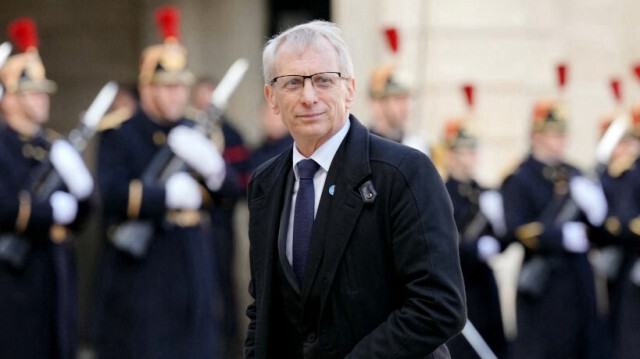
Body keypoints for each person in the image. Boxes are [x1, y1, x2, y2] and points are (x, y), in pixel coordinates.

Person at [245, 20, 466, 358]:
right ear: (271, 98)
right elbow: (263, 311)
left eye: (323, 80)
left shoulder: (404, 173)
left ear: (349, 89)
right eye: (291, 83)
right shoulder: (265, 184)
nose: (308, 97)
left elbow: (439, 306)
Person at [92, 6, 225, 358]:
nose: (177, 96)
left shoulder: (198, 130)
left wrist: (215, 172)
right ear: (146, 88)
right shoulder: (121, 132)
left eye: (181, 87)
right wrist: (164, 196)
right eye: (167, 88)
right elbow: (113, 193)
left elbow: (228, 196)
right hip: (145, 265)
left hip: (191, 255)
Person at [0, 18, 94, 359]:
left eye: (42, 91)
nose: (42, 98)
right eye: (32, 91)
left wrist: (83, 196)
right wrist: (49, 211)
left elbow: (84, 215)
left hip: (55, 267)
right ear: (8, 96)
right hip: (12, 274)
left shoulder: (52, 144)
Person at [500, 99, 608, 358]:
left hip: (578, 280)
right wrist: (559, 236)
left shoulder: (575, 174)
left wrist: (597, 212)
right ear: (535, 135)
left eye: (563, 133)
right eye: (553, 134)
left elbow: (598, 231)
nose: (560, 140)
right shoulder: (520, 177)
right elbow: (516, 228)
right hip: (543, 284)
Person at [190, 76, 252, 357]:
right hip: (190, 224)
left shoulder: (233, 134)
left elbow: (240, 183)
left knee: (223, 288)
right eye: (201, 99)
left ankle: (228, 348)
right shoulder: (188, 132)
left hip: (219, 223)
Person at [440, 119, 507, 358]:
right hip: (458, 284)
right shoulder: (441, 192)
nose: (470, 157)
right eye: (463, 151)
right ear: (450, 154)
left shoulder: (483, 192)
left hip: (483, 285)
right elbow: (442, 241)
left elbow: (503, 240)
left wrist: (499, 227)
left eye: (472, 150)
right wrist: (472, 247)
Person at [368, 64, 430, 155]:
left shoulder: (418, 147)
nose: (406, 106)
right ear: (377, 103)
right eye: (398, 99)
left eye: (407, 99)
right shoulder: (360, 147)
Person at [249, 102, 294, 171]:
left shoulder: (298, 150)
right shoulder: (257, 153)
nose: (272, 121)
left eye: (276, 116)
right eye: (267, 116)